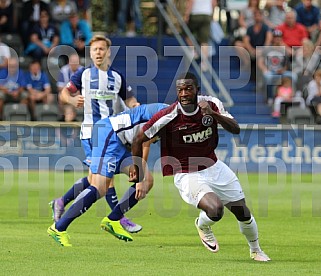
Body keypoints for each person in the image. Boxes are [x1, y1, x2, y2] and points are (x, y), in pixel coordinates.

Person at [130, 72, 271, 262]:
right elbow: (138, 139)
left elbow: (235, 129)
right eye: (180, 90)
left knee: (243, 212)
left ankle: (256, 251)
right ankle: (203, 225)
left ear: (198, 89)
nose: (184, 93)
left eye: (188, 88)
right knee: (215, 210)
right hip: (187, 174)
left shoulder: (211, 104)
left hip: (214, 166)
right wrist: (139, 176)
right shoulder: (169, 115)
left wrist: (213, 115)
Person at [50, 34, 141, 234]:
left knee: (98, 180)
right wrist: (73, 101)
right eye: (94, 50)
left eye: (101, 49)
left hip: (113, 133)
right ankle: (118, 219)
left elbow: (130, 98)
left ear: (108, 52)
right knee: (104, 179)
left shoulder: (117, 77)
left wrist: (135, 105)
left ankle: (61, 201)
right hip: (91, 133)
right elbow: (64, 93)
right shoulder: (82, 74)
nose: (98, 52)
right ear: (90, 53)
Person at [47, 103, 168, 246]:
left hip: (122, 142)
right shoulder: (166, 116)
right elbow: (140, 141)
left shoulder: (176, 120)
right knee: (100, 186)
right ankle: (59, 228)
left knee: (148, 180)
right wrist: (139, 175)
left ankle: (113, 219)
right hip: (109, 133)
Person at [257, 29, 296, 103]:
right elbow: (260, 62)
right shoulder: (267, 49)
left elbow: (292, 54)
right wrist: (264, 69)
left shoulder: (284, 49)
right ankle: (270, 98)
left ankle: (292, 96)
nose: (277, 39)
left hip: (282, 71)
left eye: (279, 37)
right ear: (273, 38)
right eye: (276, 37)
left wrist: (283, 70)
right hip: (270, 71)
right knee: (268, 77)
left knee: (293, 76)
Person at [184, 0, 217, 72]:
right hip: (207, 14)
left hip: (196, 13)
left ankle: (193, 50)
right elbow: (214, 3)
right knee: (204, 40)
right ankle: (204, 63)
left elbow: (191, 2)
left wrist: (187, 14)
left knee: (186, 32)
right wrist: (212, 14)